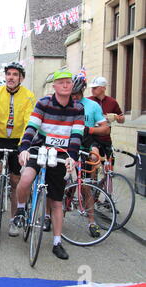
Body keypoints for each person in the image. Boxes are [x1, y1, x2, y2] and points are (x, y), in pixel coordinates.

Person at [15, 70, 85, 260]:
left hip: (61, 154)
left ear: (72, 85)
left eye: (68, 82)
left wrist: (72, 156)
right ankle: (21, 208)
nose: (65, 85)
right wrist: (24, 148)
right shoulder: (43, 103)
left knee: (56, 201)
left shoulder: (78, 108)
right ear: (54, 86)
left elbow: (77, 135)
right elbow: (32, 127)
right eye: (61, 82)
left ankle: (57, 242)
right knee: (26, 178)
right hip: (39, 148)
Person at [0, 62, 36, 237]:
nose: (11, 77)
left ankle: (13, 220)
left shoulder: (29, 96)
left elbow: (28, 123)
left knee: (16, 180)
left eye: (15, 74)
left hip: (18, 140)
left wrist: (25, 146)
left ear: (21, 78)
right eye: (8, 74)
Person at [70, 75, 110, 237]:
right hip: (67, 147)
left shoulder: (92, 106)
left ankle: (92, 222)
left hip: (85, 145)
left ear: (82, 91)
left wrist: (89, 130)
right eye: (72, 94)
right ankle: (48, 217)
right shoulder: (65, 104)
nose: (75, 97)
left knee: (86, 187)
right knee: (61, 184)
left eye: (77, 93)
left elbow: (105, 129)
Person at [88, 76, 124, 158]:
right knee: (94, 158)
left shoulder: (112, 102)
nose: (92, 90)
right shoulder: (88, 101)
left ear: (103, 88)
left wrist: (117, 118)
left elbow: (122, 119)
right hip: (91, 138)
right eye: (92, 88)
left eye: (95, 88)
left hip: (106, 138)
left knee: (109, 163)